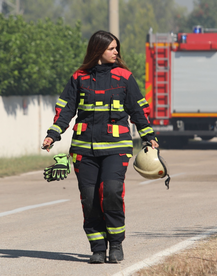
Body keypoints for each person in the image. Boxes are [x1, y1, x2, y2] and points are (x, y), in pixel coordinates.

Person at [42, 30, 159, 264]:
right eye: (111, 48)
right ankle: (97, 247)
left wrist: (148, 135)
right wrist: (53, 134)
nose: (116, 52)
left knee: (112, 192)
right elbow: (66, 109)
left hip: (117, 147)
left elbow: (138, 109)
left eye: (116, 48)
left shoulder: (125, 77)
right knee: (89, 197)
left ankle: (116, 244)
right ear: (98, 50)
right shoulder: (79, 78)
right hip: (84, 150)